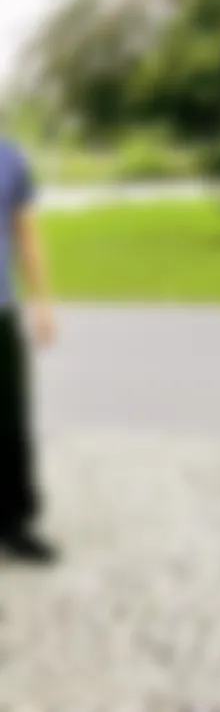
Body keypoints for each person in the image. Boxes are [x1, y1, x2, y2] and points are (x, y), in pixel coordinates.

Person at [0, 139, 54, 563]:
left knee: (8, 420)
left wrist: (41, 301)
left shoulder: (10, 159)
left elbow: (26, 232)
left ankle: (15, 525)